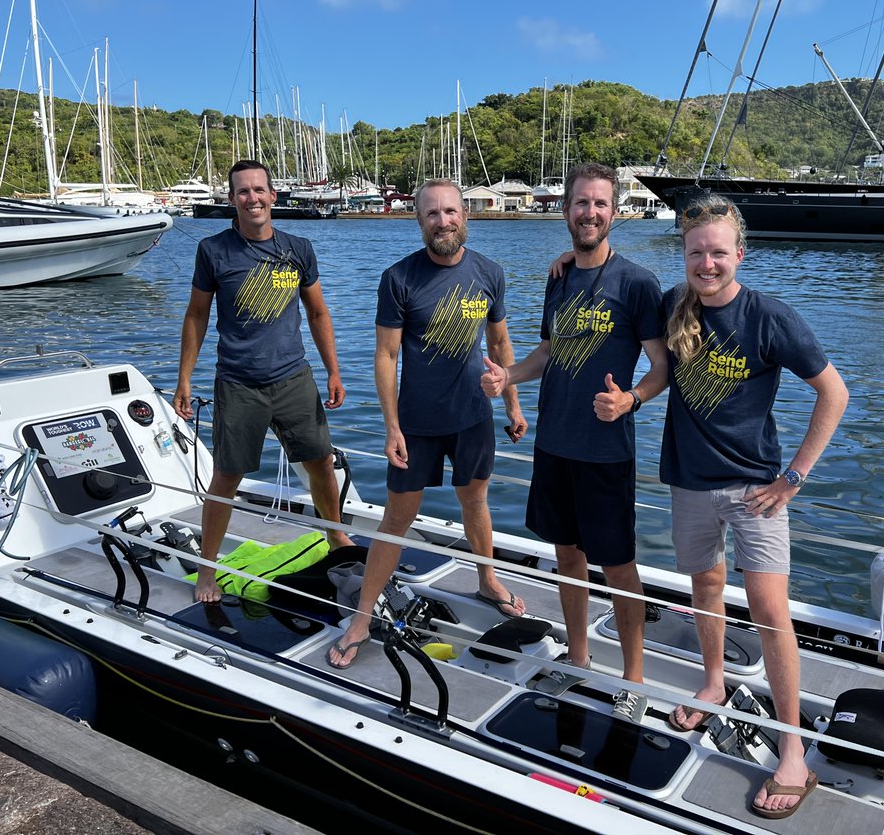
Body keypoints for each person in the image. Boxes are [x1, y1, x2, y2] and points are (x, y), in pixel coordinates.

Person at [660, 194, 848, 819]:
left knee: (770, 611)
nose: (707, 263)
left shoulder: (770, 317)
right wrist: (562, 259)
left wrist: (794, 475)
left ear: (739, 254)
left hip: (755, 490)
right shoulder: (672, 307)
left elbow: (833, 393)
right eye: (696, 252)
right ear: (683, 255)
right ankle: (714, 682)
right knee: (704, 589)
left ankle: (793, 750)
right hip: (689, 482)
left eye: (718, 252)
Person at [481, 162, 667, 723]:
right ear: (566, 211)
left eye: (600, 204)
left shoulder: (637, 283)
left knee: (619, 567)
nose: (590, 213)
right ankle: (580, 658)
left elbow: (661, 368)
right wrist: (507, 378)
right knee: (567, 556)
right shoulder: (559, 277)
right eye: (580, 203)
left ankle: (633, 679)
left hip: (606, 450)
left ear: (615, 212)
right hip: (555, 441)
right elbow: (546, 352)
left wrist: (629, 400)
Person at [327, 179, 527, 669]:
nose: (444, 221)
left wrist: (513, 406)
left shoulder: (489, 273)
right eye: (432, 214)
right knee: (398, 517)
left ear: (466, 215)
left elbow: (500, 348)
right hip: (416, 423)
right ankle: (361, 617)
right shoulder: (399, 278)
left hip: (473, 418)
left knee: (475, 501)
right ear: (419, 222)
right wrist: (391, 426)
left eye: (451, 212)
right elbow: (386, 354)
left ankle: (487, 579)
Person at [174, 159, 352, 603]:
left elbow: (317, 312)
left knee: (320, 463)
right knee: (227, 478)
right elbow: (197, 315)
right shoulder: (214, 251)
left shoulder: (298, 248)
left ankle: (335, 537)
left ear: (273, 195)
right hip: (238, 383)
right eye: (242, 192)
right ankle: (207, 569)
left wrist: (333, 369)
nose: (252, 198)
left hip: (294, 376)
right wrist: (183, 380)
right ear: (232, 199)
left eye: (259, 190)